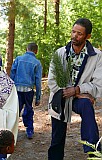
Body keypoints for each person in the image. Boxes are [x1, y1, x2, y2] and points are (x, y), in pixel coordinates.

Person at [47, 18, 102, 160]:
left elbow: (99, 85)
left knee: (86, 106)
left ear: (87, 36)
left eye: (79, 33)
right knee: (57, 140)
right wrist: (69, 92)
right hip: (60, 98)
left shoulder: (97, 56)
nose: (74, 36)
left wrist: (77, 90)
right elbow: (52, 82)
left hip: (80, 98)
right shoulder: (59, 53)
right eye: (73, 32)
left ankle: (94, 151)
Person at [10, 42, 42, 139]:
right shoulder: (37, 63)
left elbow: (12, 73)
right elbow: (38, 81)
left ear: (26, 49)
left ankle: (12, 130)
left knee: (15, 110)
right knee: (28, 109)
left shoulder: (18, 59)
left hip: (17, 89)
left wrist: (11, 89)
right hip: (28, 90)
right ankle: (29, 130)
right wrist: (38, 97)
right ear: (36, 51)